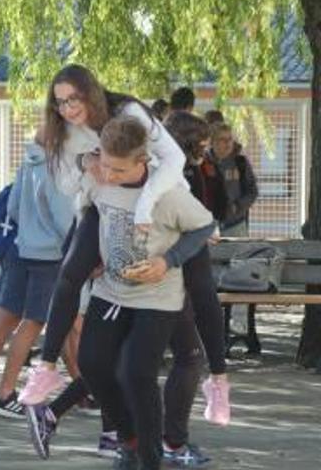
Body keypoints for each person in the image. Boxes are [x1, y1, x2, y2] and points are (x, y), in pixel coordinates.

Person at [20, 66, 231, 429]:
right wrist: (87, 162)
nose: (68, 109)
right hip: (105, 206)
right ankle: (47, 367)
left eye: (74, 99)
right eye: (60, 102)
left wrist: (148, 205)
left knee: (200, 288)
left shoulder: (129, 113)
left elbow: (175, 160)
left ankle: (219, 379)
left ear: (91, 93)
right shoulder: (66, 130)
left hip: (161, 201)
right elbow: (68, 185)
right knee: (70, 273)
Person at [77, 116, 214, 470]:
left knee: (136, 374)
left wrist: (167, 260)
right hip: (111, 292)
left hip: (157, 298)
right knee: (91, 363)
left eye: (118, 169)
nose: (108, 174)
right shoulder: (99, 180)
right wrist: (85, 261)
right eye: (103, 163)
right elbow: (86, 220)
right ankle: (129, 440)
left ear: (142, 162)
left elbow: (205, 226)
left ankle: (150, 468)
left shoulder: (167, 194)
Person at [0, 129, 73, 419]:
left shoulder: (28, 162)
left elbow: (14, 207)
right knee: (33, 323)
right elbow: (64, 220)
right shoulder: (60, 168)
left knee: (3, 319)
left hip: (21, 249)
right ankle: (5, 392)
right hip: (49, 254)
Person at [208, 123, 258, 237]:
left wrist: (237, 206)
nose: (228, 143)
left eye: (230, 139)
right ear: (213, 142)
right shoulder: (202, 163)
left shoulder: (241, 163)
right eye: (222, 139)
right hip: (208, 228)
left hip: (235, 226)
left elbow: (252, 191)